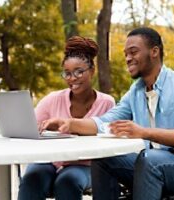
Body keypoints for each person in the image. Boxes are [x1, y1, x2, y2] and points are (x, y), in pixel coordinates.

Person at [41, 27, 174, 200]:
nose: (128, 59)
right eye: (126, 54)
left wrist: (144, 133)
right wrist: (69, 123)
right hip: (149, 162)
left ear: (154, 52)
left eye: (133, 52)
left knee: (148, 160)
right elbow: (103, 123)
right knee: (102, 157)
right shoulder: (135, 92)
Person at [18, 36, 115, 200]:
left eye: (79, 72)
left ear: (92, 71)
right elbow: (28, 128)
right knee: (31, 179)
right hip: (50, 162)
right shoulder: (52, 99)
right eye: (67, 73)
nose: (72, 78)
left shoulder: (106, 103)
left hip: (85, 165)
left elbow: (109, 136)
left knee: (67, 181)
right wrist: (42, 128)